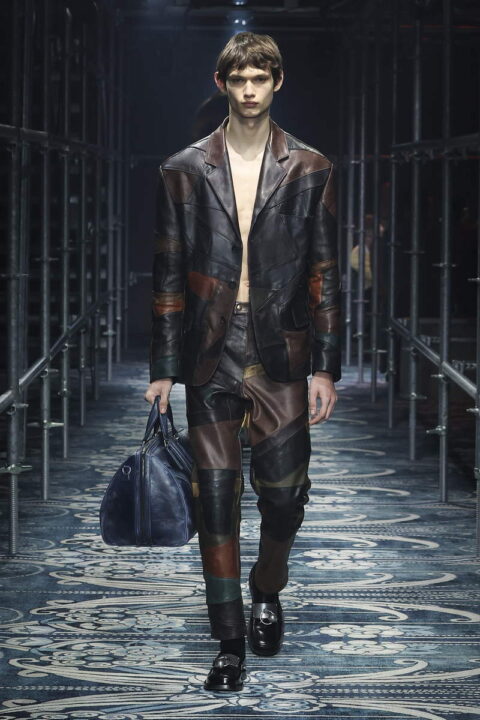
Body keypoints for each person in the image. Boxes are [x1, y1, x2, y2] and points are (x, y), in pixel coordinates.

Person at [144, 31, 342, 692]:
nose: (250, 90)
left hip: (280, 348)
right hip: (210, 349)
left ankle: (267, 586)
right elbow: (168, 271)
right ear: (222, 84)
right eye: (239, 79)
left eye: (260, 78)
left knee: (284, 497)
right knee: (216, 499)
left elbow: (324, 272)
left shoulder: (310, 167)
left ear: (277, 82)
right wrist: (162, 368)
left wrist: (326, 367)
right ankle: (229, 639)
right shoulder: (183, 168)